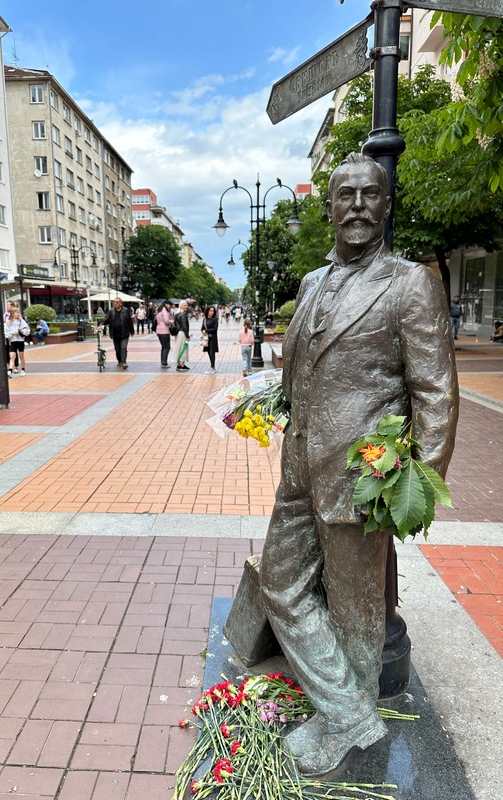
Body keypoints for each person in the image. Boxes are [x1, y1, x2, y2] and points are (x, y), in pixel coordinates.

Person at [255, 153, 459, 775]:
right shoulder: (311, 282)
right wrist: (268, 404)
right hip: (299, 463)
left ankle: (346, 721)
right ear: (330, 207)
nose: (359, 206)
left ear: (387, 205)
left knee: (355, 609)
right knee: (280, 582)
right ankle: (349, 712)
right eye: (346, 195)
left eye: (371, 194)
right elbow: (304, 368)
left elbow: (436, 394)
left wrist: (409, 487)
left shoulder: (410, 283)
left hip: (362, 475)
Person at [101, 297, 134, 368]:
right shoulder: (111, 311)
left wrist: (132, 331)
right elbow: (106, 319)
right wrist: (100, 325)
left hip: (124, 333)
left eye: (117, 302)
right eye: (114, 302)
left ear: (121, 303)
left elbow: (130, 321)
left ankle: (124, 362)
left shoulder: (126, 310)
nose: (115, 303)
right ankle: (120, 361)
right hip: (115, 334)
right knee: (117, 350)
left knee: (123, 348)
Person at [4, 308, 30, 376]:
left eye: (19, 313)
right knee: (12, 356)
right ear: (13, 313)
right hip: (13, 341)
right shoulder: (9, 322)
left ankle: (23, 369)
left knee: (21, 355)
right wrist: (13, 333)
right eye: (17, 313)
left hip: (20, 341)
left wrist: (21, 331)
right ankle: (10, 370)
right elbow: (6, 333)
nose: (18, 314)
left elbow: (27, 331)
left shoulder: (22, 321)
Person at [155, 299, 174, 368]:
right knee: (167, 347)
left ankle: (163, 361)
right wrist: (172, 321)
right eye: (170, 305)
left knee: (163, 347)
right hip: (164, 331)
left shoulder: (159, 310)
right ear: (166, 304)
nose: (170, 307)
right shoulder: (164, 311)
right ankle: (164, 363)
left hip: (159, 331)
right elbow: (166, 321)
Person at [201, 305, 219, 374]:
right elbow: (202, 328)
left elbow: (215, 329)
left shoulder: (215, 319)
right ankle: (212, 366)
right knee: (209, 352)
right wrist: (203, 331)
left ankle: (213, 367)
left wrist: (206, 330)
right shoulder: (205, 319)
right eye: (210, 311)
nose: (212, 312)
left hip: (213, 338)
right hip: (207, 338)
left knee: (212, 352)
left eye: (213, 311)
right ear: (207, 311)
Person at [174, 300, 190, 371]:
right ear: (181, 306)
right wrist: (187, 336)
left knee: (178, 348)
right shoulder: (183, 314)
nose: (187, 307)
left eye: (187, 305)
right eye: (185, 305)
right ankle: (182, 364)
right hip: (182, 333)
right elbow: (184, 326)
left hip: (178, 333)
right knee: (183, 349)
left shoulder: (176, 314)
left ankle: (179, 364)